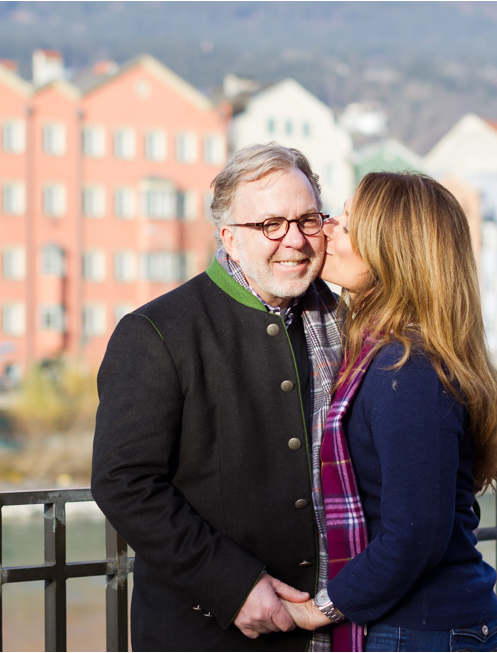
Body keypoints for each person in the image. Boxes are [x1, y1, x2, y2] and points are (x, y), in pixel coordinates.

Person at [91, 143, 343, 651]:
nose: (293, 239)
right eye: (270, 224)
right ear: (228, 236)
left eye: (308, 220)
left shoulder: (346, 323)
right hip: (205, 634)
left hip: (336, 631)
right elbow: (124, 482)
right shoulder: (156, 331)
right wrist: (232, 585)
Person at [282, 172, 497, 651]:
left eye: (345, 226)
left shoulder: (407, 368)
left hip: (421, 631)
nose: (326, 229)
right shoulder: (382, 351)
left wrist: (318, 609)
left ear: (394, 254)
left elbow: (415, 535)